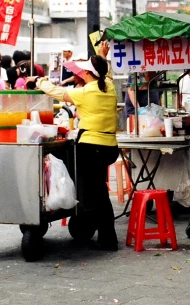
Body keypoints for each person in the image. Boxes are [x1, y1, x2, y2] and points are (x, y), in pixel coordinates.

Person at [31, 42, 119, 250]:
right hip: (109, 147)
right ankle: (104, 234)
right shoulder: (109, 86)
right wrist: (101, 55)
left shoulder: (87, 92)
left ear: (88, 73)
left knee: (93, 192)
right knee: (99, 190)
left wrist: (39, 80)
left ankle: (105, 237)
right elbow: (106, 74)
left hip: (91, 147)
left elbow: (56, 92)